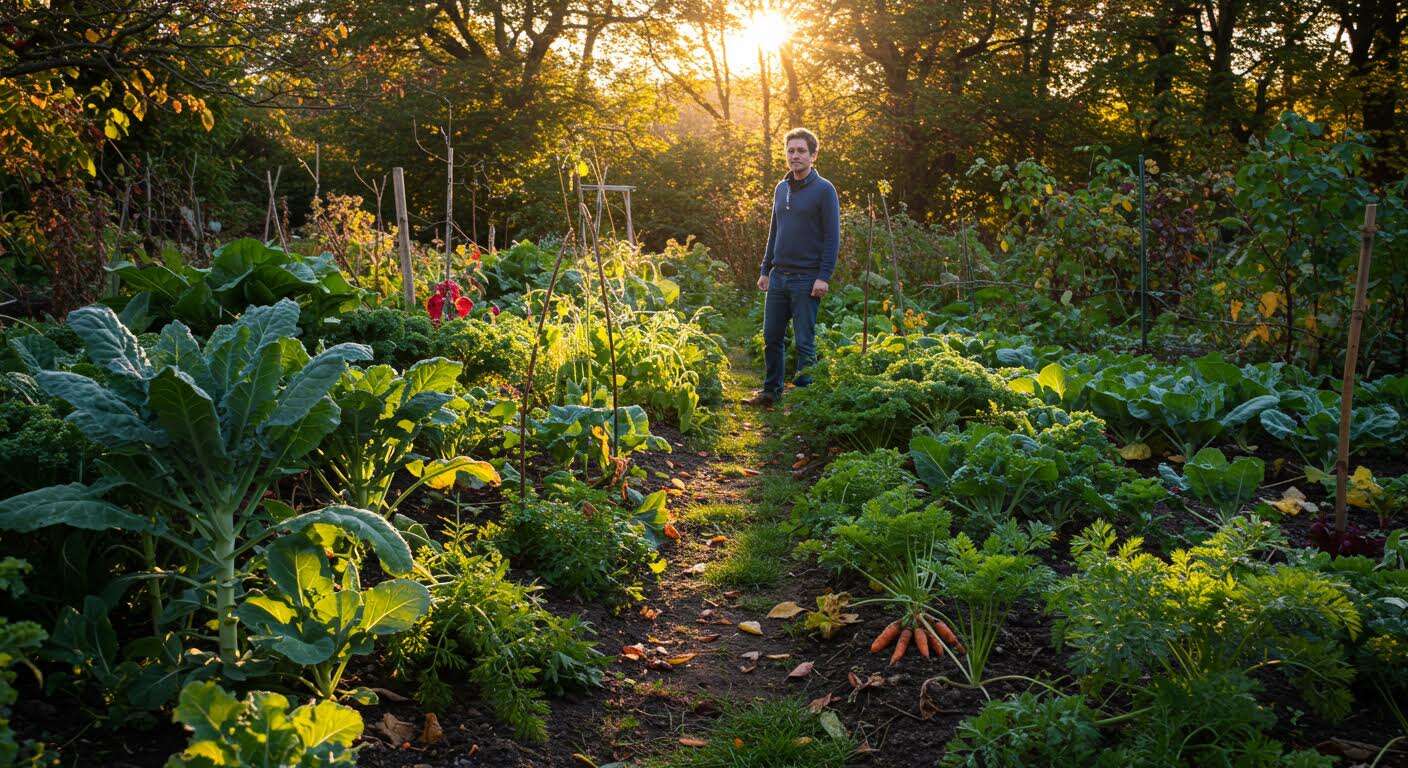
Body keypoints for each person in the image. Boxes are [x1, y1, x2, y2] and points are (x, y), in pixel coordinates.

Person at [747, 127, 840, 407]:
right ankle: (770, 391)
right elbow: (774, 232)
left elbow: (832, 237)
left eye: (801, 151)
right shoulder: (781, 188)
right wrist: (765, 270)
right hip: (779, 277)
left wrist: (824, 276)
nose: (795, 155)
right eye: (790, 150)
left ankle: (804, 400)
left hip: (806, 279)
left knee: (804, 342)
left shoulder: (824, 190)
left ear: (813, 155)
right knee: (771, 337)